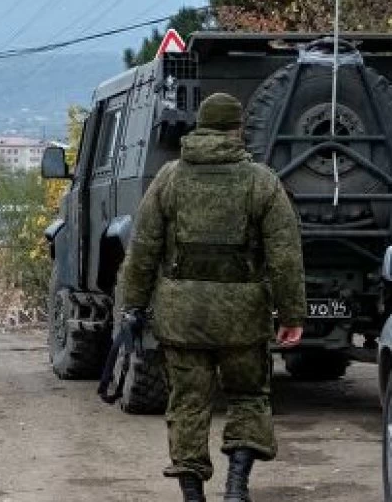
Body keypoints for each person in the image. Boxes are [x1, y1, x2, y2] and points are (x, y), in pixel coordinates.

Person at [117, 93, 306, 502]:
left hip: (181, 317)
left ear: (199, 127)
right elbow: (285, 256)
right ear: (237, 129)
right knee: (248, 396)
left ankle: (192, 494)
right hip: (243, 317)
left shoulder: (169, 178)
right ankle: (237, 488)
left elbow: (143, 250)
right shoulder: (261, 181)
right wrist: (292, 313)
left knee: (187, 402)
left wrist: (131, 305)